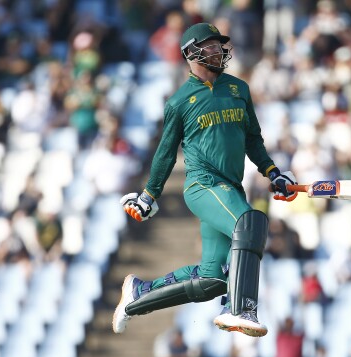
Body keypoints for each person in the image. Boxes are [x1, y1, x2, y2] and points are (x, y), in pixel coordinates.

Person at [112, 22, 298, 337]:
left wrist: (272, 172)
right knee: (249, 223)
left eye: (219, 45)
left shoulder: (239, 88)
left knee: (213, 279)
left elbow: (253, 139)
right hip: (202, 185)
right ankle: (240, 308)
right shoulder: (180, 101)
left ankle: (139, 295)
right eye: (211, 46)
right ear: (191, 53)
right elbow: (165, 154)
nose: (219, 50)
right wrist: (149, 195)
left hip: (231, 188)